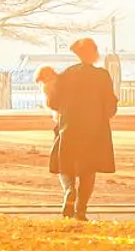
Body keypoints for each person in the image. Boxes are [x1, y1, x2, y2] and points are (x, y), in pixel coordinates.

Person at [49, 37, 117, 220]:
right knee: (88, 170)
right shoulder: (102, 76)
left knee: (64, 164)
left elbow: (53, 102)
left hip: (69, 127)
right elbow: (110, 104)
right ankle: (81, 210)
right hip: (94, 130)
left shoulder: (66, 75)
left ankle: (69, 190)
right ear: (94, 53)